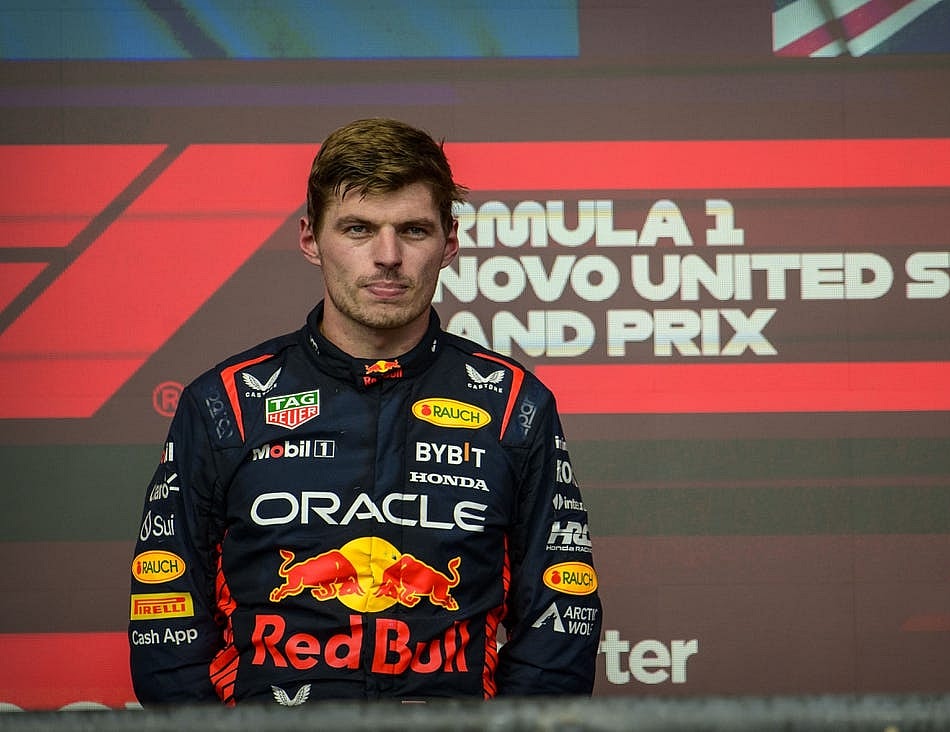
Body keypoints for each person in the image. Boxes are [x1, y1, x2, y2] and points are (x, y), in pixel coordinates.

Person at [128, 118, 601, 705]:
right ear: (310, 239)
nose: (388, 256)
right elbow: (166, 614)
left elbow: (562, 615)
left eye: (414, 230)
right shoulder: (223, 404)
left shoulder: (514, 405)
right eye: (357, 228)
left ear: (449, 243)